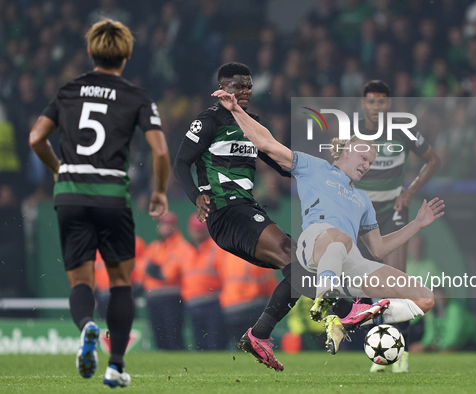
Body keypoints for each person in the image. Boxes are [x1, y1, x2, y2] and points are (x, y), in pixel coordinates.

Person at [212, 88, 444, 356]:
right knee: (341, 238)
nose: (368, 165)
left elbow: (378, 250)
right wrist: (235, 110)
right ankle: (330, 303)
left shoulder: (362, 200)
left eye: (372, 162)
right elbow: (267, 144)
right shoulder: (316, 168)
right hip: (315, 244)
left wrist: (416, 224)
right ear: (346, 150)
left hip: (349, 261)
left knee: (424, 297)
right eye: (364, 157)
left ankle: (364, 318)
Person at [175, 62, 371, 371]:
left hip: (245, 208)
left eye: (250, 86)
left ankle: (260, 334)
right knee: (292, 255)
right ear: (224, 88)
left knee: (299, 265)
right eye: (240, 86)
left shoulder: (251, 123)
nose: (246, 91)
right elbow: (181, 162)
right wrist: (196, 196)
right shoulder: (209, 121)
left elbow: (280, 162)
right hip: (226, 211)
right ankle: (348, 308)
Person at [29, 19, 169, 387]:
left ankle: (87, 325)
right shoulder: (135, 96)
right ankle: (116, 366)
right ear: (127, 54)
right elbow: (159, 151)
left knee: (81, 281)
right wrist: (158, 191)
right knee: (121, 281)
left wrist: (59, 168)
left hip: (71, 195)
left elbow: (35, 138)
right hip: (112, 197)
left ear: (90, 52)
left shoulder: (68, 91)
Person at [354, 80, 441, 373]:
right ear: (363, 104)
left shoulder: (402, 130)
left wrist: (409, 193)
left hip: (393, 212)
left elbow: (433, 160)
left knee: (396, 283)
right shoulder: (352, 133)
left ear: (388, 104)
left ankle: (399, 352)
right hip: (363, 216)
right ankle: (382, 351)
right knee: (366, 288)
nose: (376, 107)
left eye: (381, 102)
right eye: (371, 102)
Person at [143, 212, 188, 351]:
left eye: (169, 224)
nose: (166, 227)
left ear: (175, 226)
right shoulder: (155, 246)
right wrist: (154, 269)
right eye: (163, 224)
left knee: (173, 337)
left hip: (172, 298)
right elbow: (144, 269)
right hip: (154, 298)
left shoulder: (180, 245)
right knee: (159, 338)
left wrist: (153, 269)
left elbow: (168, 274)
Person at [181, 213, 224, 351]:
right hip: (193, 304)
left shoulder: (215, 248)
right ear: (190, 230)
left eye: (200, 229)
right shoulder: (187, 250)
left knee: (214, 344)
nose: (198, 232)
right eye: (195, 229)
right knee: (199, 344)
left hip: (213, 303)